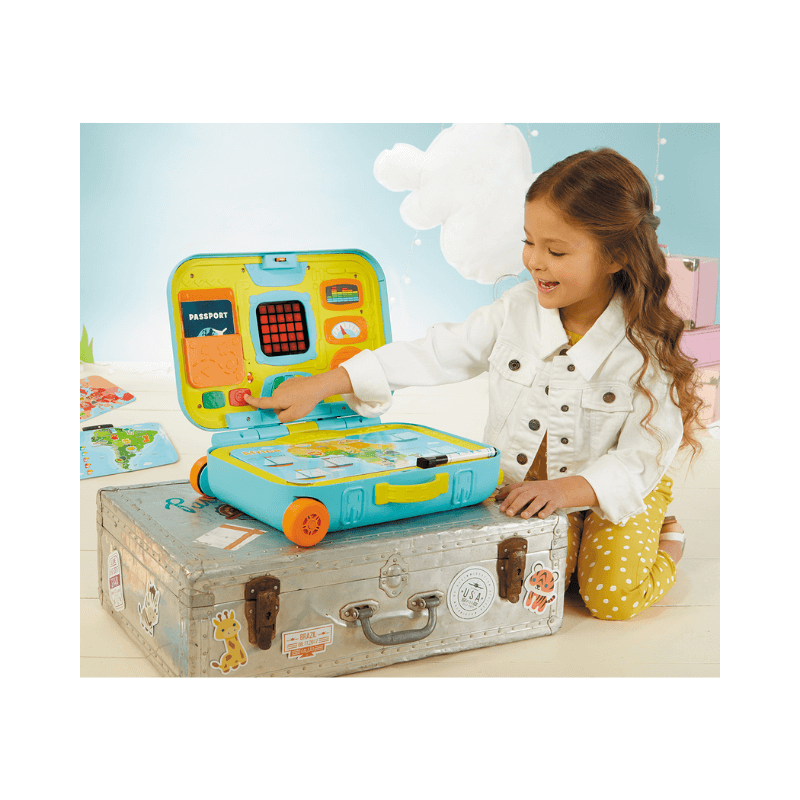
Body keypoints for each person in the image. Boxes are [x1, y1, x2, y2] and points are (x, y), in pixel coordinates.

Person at [245, 147, 705, 621]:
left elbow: (642, 456)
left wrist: (570, 491)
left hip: (613, 487)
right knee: (538, 587)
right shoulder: (517, 310)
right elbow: (438, 352)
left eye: (556, 251)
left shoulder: (646, 344)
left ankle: (668, 538)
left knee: (610, 599)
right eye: (529, 242)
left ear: (617, 256)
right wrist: (325, 383)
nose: (534, 261)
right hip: (530, 487)